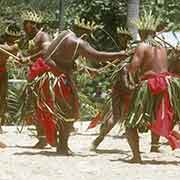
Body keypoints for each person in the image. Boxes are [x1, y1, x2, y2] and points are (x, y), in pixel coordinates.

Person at [20, 10, 128, 155]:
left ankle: (58, 144)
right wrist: (119, 55)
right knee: (68, 112)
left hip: (47, 76)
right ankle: (62, 146)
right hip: (56, 79)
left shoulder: (65, 34)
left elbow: (61, 57)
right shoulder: (77, 42)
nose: (88, 36)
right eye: (88, 33)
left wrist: (81, 68)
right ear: (84, 31)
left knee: (58, 111)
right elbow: (97, 56)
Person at [125, 12, 180, 163]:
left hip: (149, 85)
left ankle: (136, 157)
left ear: (142, 33)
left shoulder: (142, 46)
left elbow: (133, 68)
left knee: (130, 123)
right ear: (154, 33)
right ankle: (171, 130)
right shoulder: (162, 47)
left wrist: (127, 65)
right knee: (162, 114)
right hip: (168, 83)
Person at [0, 24, 21, 133]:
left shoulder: (14, 46)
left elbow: (15, 52)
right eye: (11, 37)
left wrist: (20, 59)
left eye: (15, 38)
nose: (14, 40)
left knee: (2, 99)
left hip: (2, 73)